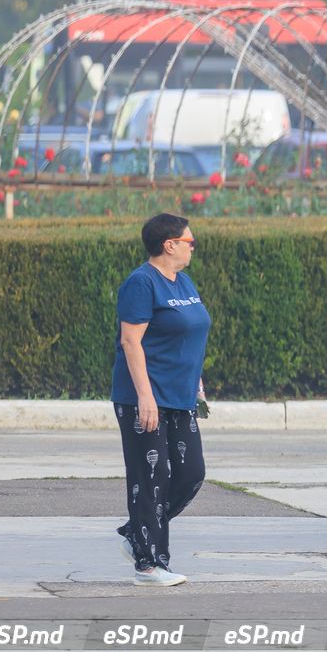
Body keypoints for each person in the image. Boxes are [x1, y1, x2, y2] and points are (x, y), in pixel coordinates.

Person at [112, 213, 211, 586]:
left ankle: (137, 533)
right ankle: (150, 565)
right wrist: (144, 397)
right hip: (145, 397)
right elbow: (130, 341)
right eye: (190, 241)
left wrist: (196, 379)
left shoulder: (183, 281)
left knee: (190, 474)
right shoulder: (141, 283)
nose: (192, 247)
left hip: (180, 395)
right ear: (170, 244)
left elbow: (189, 333)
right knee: (151, 477)